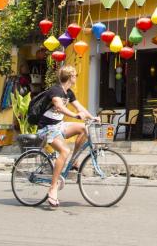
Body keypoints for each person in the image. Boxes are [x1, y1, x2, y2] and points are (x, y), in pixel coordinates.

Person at [37, 65, 98, 207]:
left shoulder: (68, 92)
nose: (76, 77)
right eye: (75, 75)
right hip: (47, 128)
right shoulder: (55, 90)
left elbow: (80, 107)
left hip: (59, 126)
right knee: (64, 151)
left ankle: (74, 161)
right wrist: (75, 116)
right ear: (70, 77)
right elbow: (59, 107)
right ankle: (52, 189)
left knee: (84, 128)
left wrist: (92, 117)